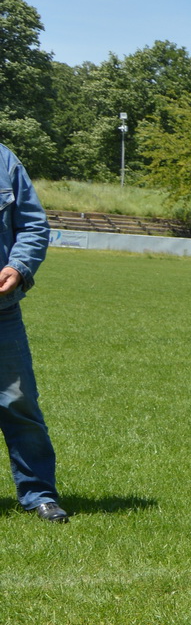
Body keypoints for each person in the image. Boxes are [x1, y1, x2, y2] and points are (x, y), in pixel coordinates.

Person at [0, 142, 67, 522]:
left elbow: (32, 225)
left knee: (19, 404)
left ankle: (39, 494)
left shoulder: (4, 161)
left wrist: (19, 266)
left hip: (1, 313)